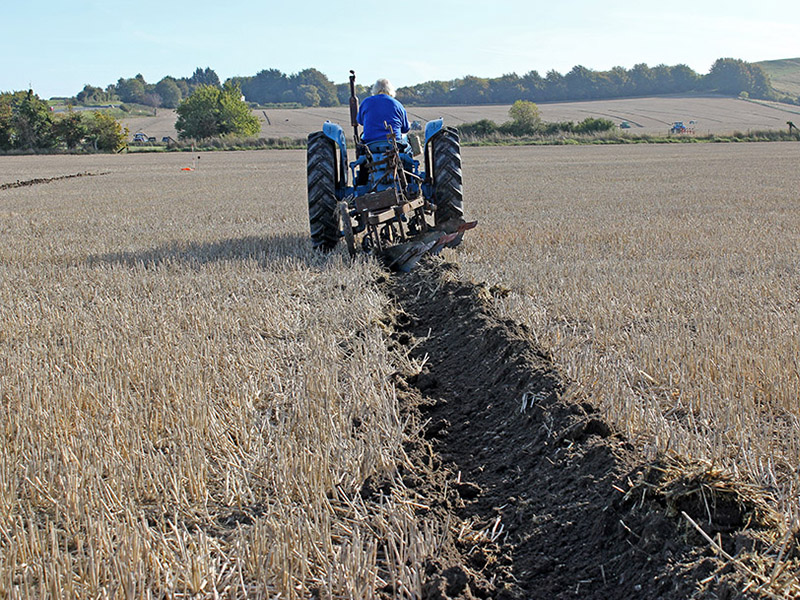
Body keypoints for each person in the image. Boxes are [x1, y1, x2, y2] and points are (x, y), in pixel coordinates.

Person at [357, 78, 410, 145]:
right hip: (394, 143)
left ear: (375, 89)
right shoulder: (398, 104)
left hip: (370, 144)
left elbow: (360, 121)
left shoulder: (366, 102)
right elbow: (405, 129)